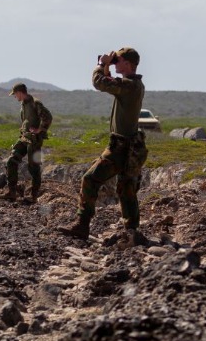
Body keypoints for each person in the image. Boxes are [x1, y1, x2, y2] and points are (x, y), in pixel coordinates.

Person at [60, 47, 147, 243]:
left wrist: (101, 65)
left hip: (121, 147)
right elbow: (109, 83)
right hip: (128, 145)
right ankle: (132, 231)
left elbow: (99, 83)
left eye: (118, 60)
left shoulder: (129, 86)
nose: (115, 64)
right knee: (127, 189)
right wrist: (108, 65)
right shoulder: (132, 85)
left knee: (91, 179)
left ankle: (82, 225)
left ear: (128, 63)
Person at [4, 83, 52, 203]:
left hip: (34, 140)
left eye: (15, 94)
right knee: (11, 161)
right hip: (25, 138)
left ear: (20, 92)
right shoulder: (23, 105)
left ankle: (34, 196)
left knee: (33, 167)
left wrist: (40, 129)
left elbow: (48, 117)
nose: (15, 97)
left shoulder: (35, 103)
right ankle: (12, 192)